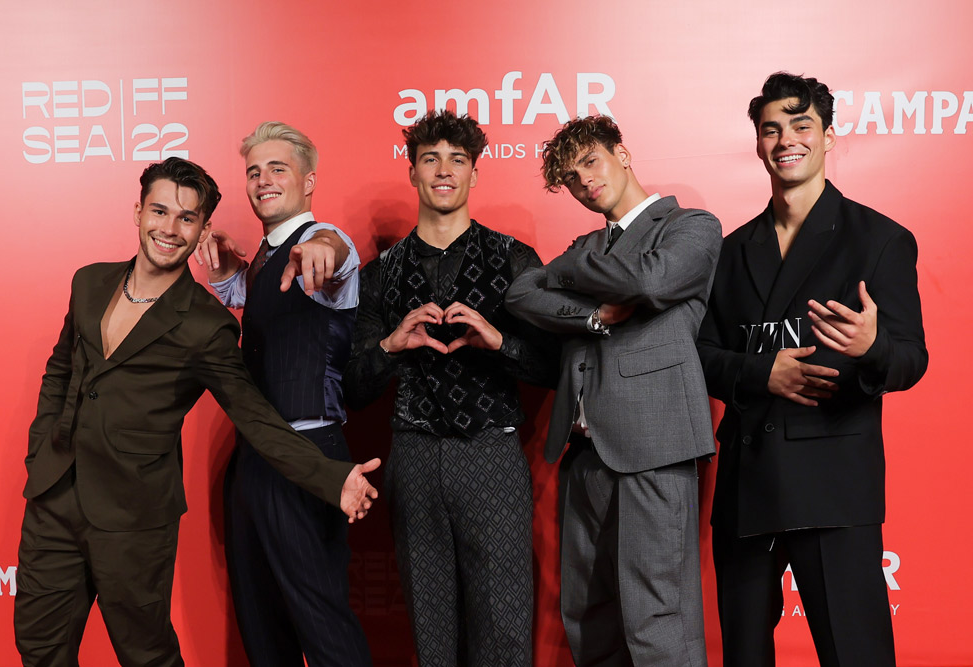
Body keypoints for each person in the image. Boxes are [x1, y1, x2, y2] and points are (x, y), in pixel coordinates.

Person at [14, 157, 379, 667]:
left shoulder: (206, 326)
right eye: (159, 211)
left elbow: (254, 416)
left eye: (186, 218)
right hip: (54, 499)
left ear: (203, 229)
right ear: (137, 211)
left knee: (146, 656)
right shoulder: (89, 283)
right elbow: (59, 371)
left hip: (134, 513)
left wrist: (331, 479)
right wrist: (42, 452)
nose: (168, 228)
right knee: (38, 648)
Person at [696, 72, 928, 666]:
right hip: (748, 485)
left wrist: (872, 348)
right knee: (744, 656)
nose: (785, 140)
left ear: (828, 137)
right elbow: (699, 355)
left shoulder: (879, 240)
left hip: (833, 484)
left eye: (801, 126)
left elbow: (911, 359)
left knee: (856, 654)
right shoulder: (730, 250)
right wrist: (760, 374)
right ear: (757, 143)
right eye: (771, 129)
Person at [505, 115, 721, 666]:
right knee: (587, 611)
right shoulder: (589, 244)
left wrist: (577, 265)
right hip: (586, 451)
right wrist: (595, 320)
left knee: (657, 614)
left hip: (655, 441)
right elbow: (522, 293)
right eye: (572, 179)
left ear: (622, 153)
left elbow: (650, 281)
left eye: (591, 162)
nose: (584, 183)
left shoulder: (691, 225)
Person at [343, 109, 555, 667]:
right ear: (412, 172)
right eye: (430, 159)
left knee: (504, 628)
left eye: (457, 160)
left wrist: (498, 342)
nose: (443, 171)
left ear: (474, 174)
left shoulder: (515, 260)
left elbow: (552, 366)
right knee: (431, 632)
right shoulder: (380, 272)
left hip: (491, 450)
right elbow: (354, 388)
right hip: (412, 454)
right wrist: (391, 345)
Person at [193, 122, 371, 667]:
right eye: (254, 171)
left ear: (309, 180)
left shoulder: (320, 246)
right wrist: (227, 273)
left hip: (308, 458)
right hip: (255, 461)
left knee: (322, 626)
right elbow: (257, 300)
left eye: (278, 169)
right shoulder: (267, 258)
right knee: (260, 622)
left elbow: (335, 253)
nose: (263, 180)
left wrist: (326, 244)